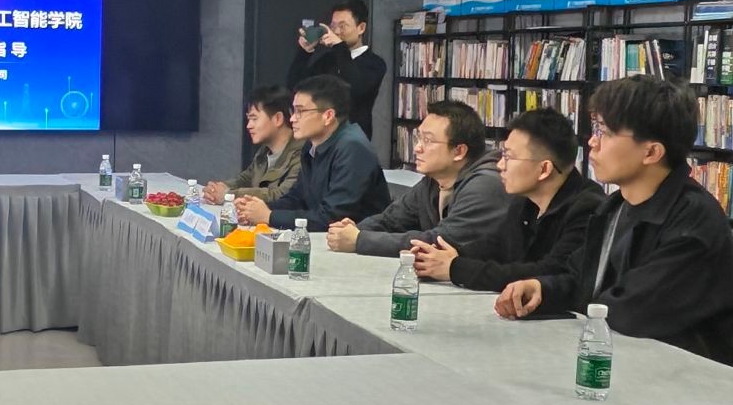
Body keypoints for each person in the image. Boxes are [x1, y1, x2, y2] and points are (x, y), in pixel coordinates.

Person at [495, 75, 733, 377]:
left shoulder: (694, 220)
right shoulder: (614, 207)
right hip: (642, 369)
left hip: (709, 383)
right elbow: (581, 280)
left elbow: (631, 310)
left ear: (651, 152)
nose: (592, 142)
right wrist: (541, 288)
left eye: (605, 132)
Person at [411, 105, 604, 292]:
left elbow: (546, 273)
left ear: (544, 169)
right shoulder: (524, 202)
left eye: (509, 157)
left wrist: (455, 268)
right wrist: (442, 256)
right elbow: (494, 248)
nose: (500, 165)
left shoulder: (587, 209)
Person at [325, 99, 507, 256]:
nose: (417, 148)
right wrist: (354, 230)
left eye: (428, 140)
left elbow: (440, 240)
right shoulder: (433, 180)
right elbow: (391, 220)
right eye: (418, 138)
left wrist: (360, 240)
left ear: (459, 151)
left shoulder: (486, 185)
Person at [234, 76, 390, 233]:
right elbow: (297, 198)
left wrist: (269, 216)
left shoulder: (353, 148)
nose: (292, 118)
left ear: (328, 116)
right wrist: (256, 210)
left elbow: (332, 217)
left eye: (300, 111)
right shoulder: (312, 144)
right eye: (293, 111)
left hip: (359, 241)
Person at [286, 0, 387, 140]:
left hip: (352, 139)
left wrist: (339, 47)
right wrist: (305, 52)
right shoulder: (328, 59)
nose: (337, 31)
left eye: (343, 26)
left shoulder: (374, 63)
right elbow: (296, 85)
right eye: (333, 26)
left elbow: (355, 89)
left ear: (361, 28)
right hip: (321, 137)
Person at [203, 85, 303, 209]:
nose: (248, 126)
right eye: (248, 119)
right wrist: (218, 188)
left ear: (278, 119)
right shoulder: (264, 151)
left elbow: (282, 195)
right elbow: (246, 178)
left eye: (254, 119)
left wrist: (228, 195)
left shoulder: (302, 154)